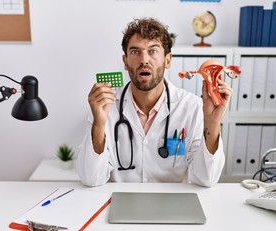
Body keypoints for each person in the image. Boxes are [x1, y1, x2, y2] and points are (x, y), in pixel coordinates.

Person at [76, 17, 233, 187]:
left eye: (153, 51)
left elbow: (206, 179)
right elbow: (91, 179)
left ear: (168, 60)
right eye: (135, 52)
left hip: (172, 206)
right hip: (122, 203)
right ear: (125, 62)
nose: (144, 60)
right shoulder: (105, 106)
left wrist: (212, 122)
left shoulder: (193, 107)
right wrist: (99, 123)